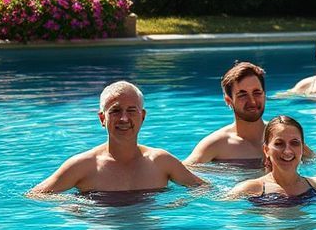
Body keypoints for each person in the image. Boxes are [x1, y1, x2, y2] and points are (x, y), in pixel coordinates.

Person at [30, 81, 205, 194]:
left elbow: (206, 191)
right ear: (102, 118)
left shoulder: (161, 162)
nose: (124, 119)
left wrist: (176, 204)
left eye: (131, 111)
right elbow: (36, 196)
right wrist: (77, 207)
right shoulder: (83, 165)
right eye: (115, 111)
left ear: (142, 116)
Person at [227, 115, 316, 206]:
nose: (287, 151)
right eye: (279, 144)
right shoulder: (249, 190)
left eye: (294, 143)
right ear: (266, 150)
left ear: (302, 148)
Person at [185, 62, 269, 166]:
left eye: (257, 93)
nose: (252, 101)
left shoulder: (283, 135)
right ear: (228, 100)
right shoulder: (217, 144)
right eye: (242, 95)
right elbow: (182, 172)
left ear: (265, 95)